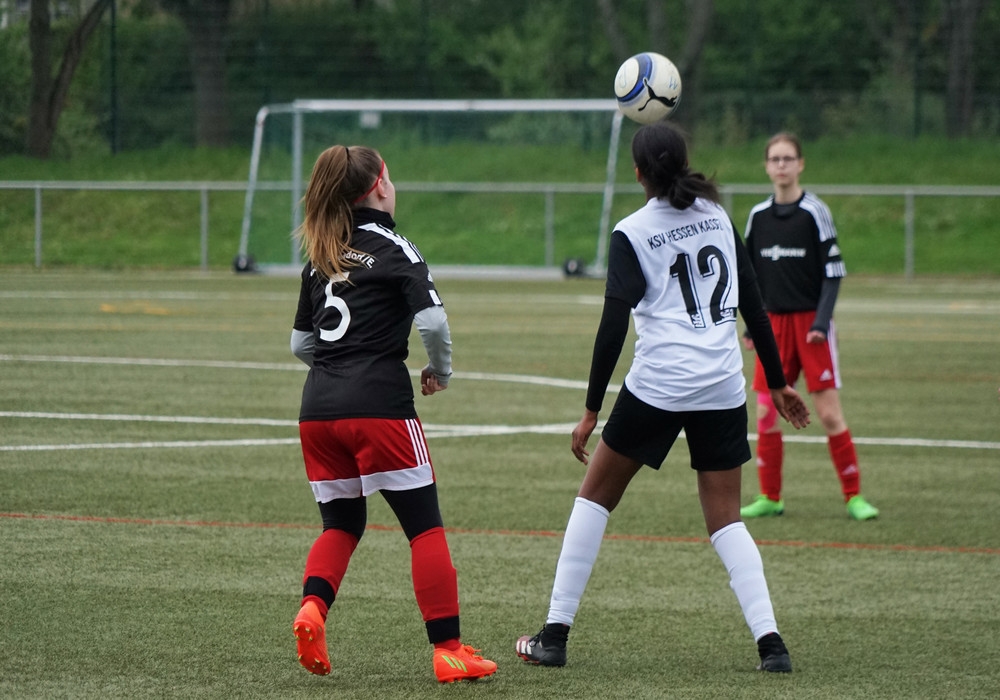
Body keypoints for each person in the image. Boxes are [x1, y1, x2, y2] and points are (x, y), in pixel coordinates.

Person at [514, 122, 811, 673]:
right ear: (683, 162)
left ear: (637, 174)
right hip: (722, 384)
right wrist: (776, 380)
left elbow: (612, 327)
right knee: (727, 521)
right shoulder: (717, 215)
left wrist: (591, 410)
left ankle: (553, 636)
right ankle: (772, 646)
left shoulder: (632, 231)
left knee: (593, 499)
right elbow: (753, 302)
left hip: (660, 384)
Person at [289, 145, 496, 684]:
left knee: (341, 524)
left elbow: (300, 344)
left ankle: (312, 609)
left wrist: (339, 371)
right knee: (423, 528)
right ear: (380, 186)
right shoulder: (395, 246)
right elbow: (433, 322)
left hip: (317, 410)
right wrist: (439, 370)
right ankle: (449, 650)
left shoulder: (322, 253)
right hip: (380, 406)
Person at [740, 132, 879, 521]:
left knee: (829, 414)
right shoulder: (758, 217)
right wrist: (752, 325)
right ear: (767, 166)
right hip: (772, 326)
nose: (781, 165)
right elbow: (749, 278)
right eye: (775, 159)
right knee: (766, 414)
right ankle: (770, 496)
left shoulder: (815, 212)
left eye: (788, 159)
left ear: (800, 164)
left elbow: (833, 273)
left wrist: (821, 321)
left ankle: (854, 496)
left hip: (811, 325)